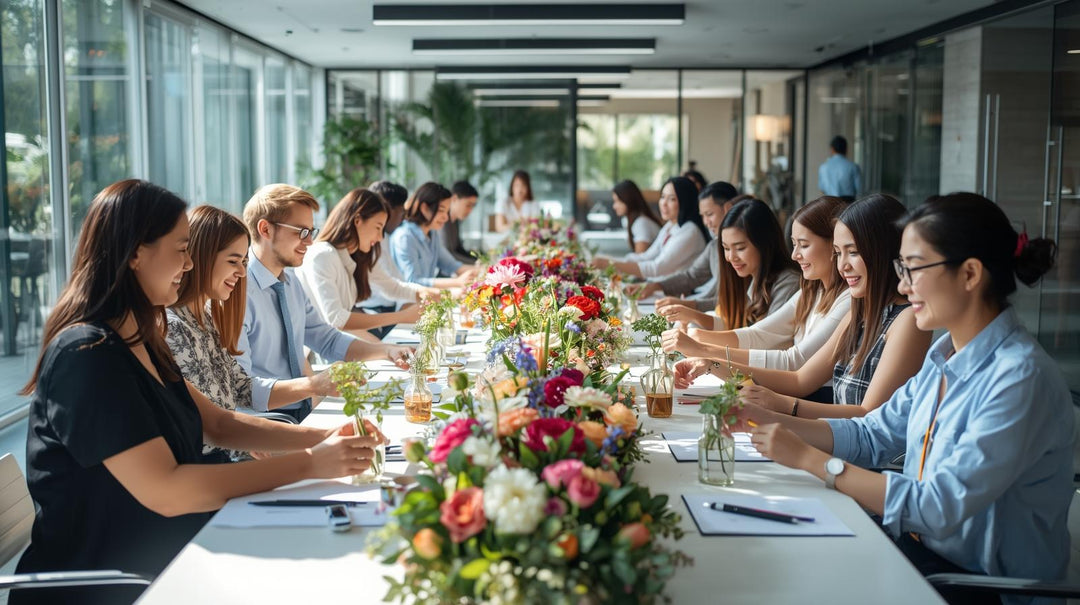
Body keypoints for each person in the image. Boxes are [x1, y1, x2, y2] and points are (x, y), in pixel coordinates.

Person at [12, 180, 386, 605]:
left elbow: (220, 424)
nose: (190, 264)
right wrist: (310, 463)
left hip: (176, 551)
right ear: (136, 253)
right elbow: (169, 491)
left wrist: (331, 438)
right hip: (119, 582)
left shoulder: (142, 338)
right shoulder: (87, 354)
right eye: (181, 249)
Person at [732, 193, 1069, 604]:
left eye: (913, 269)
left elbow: (938, 507)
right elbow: (874, 433)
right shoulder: (944, 356)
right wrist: (769, 421)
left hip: (976, 585)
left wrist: (809, 458)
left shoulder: (1018, 378)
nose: (904, 284)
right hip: (921, 552)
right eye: (901, 268)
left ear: (969, 274)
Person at [675, 194, 932, 418]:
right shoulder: (859, 310)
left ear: (883, 252)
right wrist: (711, 363)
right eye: (839, 253)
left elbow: (867, 417)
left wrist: (782, 406)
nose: (842, 265)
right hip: (836, 444)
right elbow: (799, 379)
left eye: (852, 252)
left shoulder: (906, 319)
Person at [239, 184, 412, 423]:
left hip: (301, 411)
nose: (309, 242)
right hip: (264, 422)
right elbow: (243, 388)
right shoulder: (237, 292)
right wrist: (313, 385)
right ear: (265, 229)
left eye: (311, 231)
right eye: (301, 232)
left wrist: (387, 351)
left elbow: (327, 339)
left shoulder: (290, 283)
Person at [662, 198, 851, 399]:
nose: (795, 255)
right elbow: (758, 334)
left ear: (834, 247)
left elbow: (793, 360)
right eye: (794, 244)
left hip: (808, 399)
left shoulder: (845, 299)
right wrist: (700, 341)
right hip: (787, 393)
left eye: (803, 245)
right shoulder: (812, 289)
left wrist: (705, 350)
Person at [657, 198, 801, 331]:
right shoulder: (749, 276)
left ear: (764, 243)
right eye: (726, 248)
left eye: (740, 248)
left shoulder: (788, 283)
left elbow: (762, 339)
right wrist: (692, 316)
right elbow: (732, 324)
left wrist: (701, 341)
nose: (731, 258)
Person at [297, 187, 421, 338]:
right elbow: (337, 319)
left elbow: (393, 287)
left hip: (341, 345)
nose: (381, 237)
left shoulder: (354, 257)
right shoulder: (323, 255)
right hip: (325, 352)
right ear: (357, 221)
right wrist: (401, 317)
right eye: (378, 227)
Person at [631, 183, 740, 306]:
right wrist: (655, 286)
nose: (706, 222)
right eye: (703, 216)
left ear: (728, 209)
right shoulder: (714, 245)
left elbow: (728, 303)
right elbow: (692, 276)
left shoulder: (693, 232)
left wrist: (689, 305)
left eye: (709, 214)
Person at [591, 176, 708, 279]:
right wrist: (608, 260)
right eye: (662, 197)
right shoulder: (671, 226)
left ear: (685, 201)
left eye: (672, 199)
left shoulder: (690, 231)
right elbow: (646, 257)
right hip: (661, 289)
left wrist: (608, 263)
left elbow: (656, 268)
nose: (664, 203)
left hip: (678, 296)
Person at [362, 181, 439, 317]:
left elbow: (398, 282)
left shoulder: (384, 239)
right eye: (401, 210)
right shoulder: (370, 243)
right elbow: (391, 287)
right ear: (387, 209)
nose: (404, 216)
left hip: (391, 308)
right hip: (374, 312)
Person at [389, 181, 477, 288]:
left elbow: (451, 265)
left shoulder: (432, 233)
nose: (446, 218)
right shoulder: (405, 237)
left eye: (447, 211)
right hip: (408, 302)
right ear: (424, 208)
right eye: (441, 211)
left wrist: (487, 270)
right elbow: (412, 281)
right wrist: (457, 282)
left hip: (426, 299)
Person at [611, 179, 662, 254]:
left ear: (628, 200)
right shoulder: (629, 220)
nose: (614, 206)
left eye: (618, 201)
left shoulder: (641, 223)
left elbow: (639, 259)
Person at [443, 180, 480, 264]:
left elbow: (458, 249)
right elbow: (447, 254)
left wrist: (478, 259)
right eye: (468, 205)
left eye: (472, 206)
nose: (470, 210)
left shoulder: (455, 221)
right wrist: (474, 263)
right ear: (454, 199)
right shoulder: (442, 221)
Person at [818, 135, 861, 201]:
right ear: (846, 149)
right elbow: (859, 189)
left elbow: (822, 189)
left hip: (829, 204)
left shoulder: (823, 167)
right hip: (849, 205)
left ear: (832, 149)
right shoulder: (853, 167)